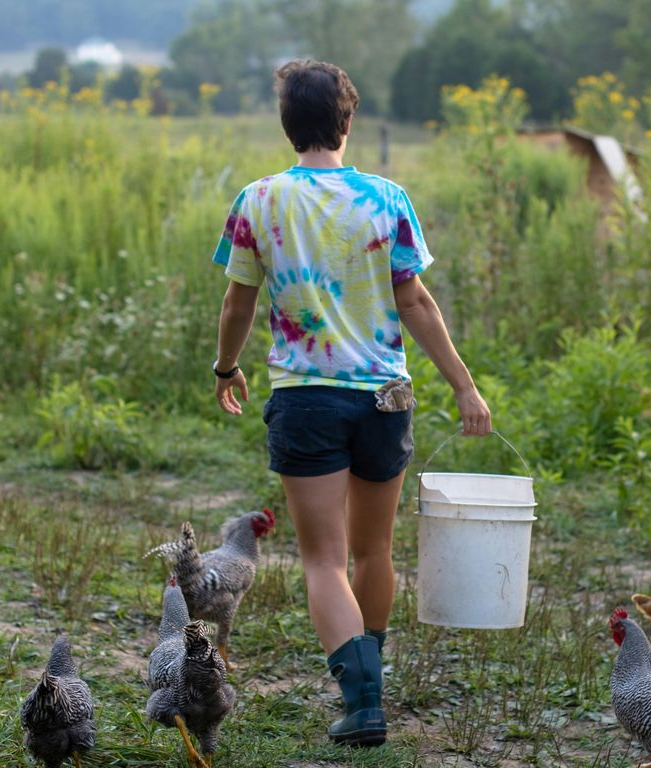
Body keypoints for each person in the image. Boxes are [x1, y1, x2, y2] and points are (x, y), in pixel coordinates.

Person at [209, 59, 491, 747]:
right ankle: (370, 674)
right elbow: (414, 300)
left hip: (307, 399)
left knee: (321, 560)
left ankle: (362, 699)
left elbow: (238, 299)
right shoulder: (388, 198)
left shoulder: (258, 200)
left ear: (287, 123)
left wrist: (225, 367)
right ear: (348, 119)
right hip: (385, 398)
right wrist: (463, 384)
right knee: (373, 553)